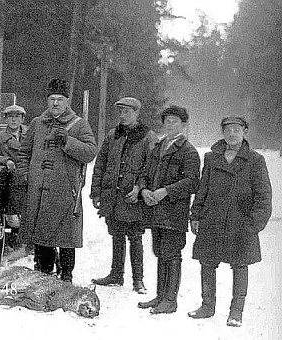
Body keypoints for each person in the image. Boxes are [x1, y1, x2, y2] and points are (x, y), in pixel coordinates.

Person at [187, 117, 272, 327]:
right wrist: (196, 215)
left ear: (244, 132)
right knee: (207, 263)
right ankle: (207, 306)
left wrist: (253, 225)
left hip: (241, 223)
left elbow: (263, 197)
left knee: (240, 265)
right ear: (223, 133)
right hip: (212, 220)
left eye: (236, 129)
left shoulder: (255, 160)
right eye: (228, 130)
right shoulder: (211, 158)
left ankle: (236, 312)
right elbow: (202, 190)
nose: (232, 134)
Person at [16, 78, 97, 283]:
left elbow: (90, 152)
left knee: (65, 237)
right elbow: (23, 153)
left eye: (60, 99)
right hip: (39, 190)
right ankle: (43, 273)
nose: (55, 103)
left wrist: (68, 141)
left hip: (65, 191)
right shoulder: (37, 123)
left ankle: (66, 275)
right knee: (42, 235)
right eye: (51, 99)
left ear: (67, 101)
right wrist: (26, 175)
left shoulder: (79, 124)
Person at [137, 105, 200, 314]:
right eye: (167, 121)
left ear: (183, 124)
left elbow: (192, 182)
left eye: (174, 121)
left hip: (174, 213)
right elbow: (145, 172)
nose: (169, 124)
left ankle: (170, 300)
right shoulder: (159, 146)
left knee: (172, 254)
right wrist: (144, 189)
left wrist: (166, 191)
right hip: (155, 211)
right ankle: (160, 296)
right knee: (159, 252)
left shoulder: (188, 151)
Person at [90, 97, 151, 294]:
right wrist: (96, 192)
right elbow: (100, 164)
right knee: (116, 235)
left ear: (136, 113)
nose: (123, 115)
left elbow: (151, 168)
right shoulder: (112, 135)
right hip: (112, 197)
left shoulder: (148, 137)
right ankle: (116, 274)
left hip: (132, 197)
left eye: (128, 112)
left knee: (135, 237)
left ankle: (138, 280)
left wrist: (140, 188)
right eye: (121, 112)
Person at [0, 104, 28, 251]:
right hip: (9, 182)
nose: (14, 120)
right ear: (5, 119)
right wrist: (6, 161)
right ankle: (13, 230)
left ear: (22, 118)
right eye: (10, 116)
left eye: (17, 116)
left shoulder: (31, 136)